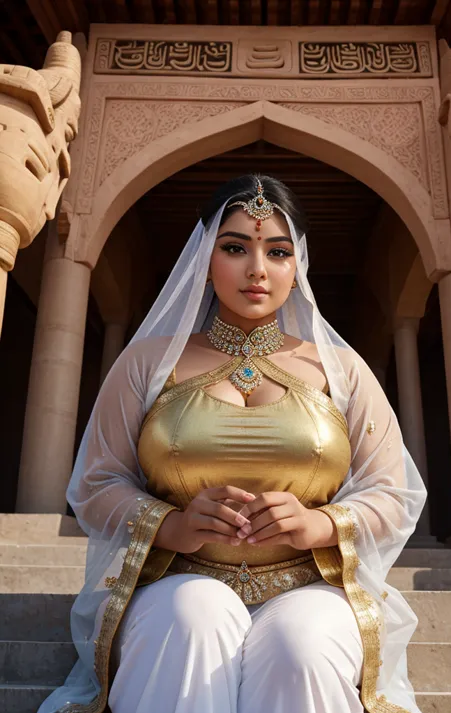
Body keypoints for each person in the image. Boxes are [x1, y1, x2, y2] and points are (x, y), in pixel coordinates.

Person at [39, 175, 427, 713]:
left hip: (310, 585)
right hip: (177, 578)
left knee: (303, 643)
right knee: (192, 618)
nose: (257, 269)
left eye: (278, 251)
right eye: (235, 247)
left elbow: (393, 490)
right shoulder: (150, 363)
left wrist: (323, 523)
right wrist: (168, 523)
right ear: (205, 257)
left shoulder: (340, 371)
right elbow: (97, 481)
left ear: (298, 266)